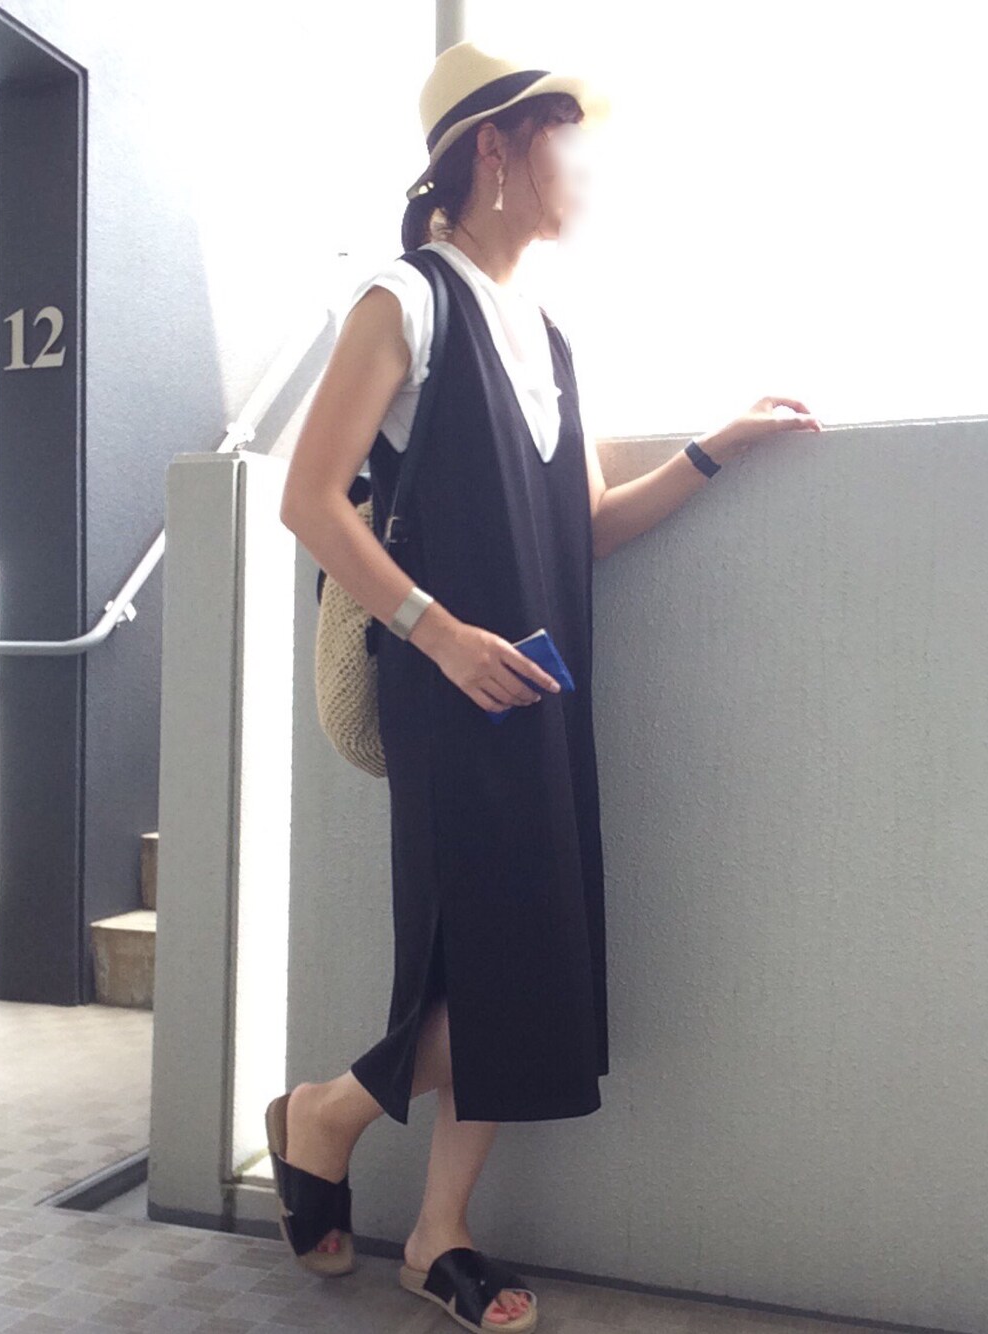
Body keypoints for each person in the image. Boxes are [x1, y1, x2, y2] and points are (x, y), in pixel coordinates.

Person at [270, 38, 823, 1334]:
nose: (583, 162)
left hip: (542, 686)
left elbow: (585, 531)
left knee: (536, 961)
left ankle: (435, 1229)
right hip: (447, 685)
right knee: (492, 963)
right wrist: (439, 635)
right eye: (563, 133)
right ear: (495, 149)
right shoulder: (404, 301)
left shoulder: (555, 338)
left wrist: (716, 450)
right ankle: (329, 1116)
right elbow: (309, 499)